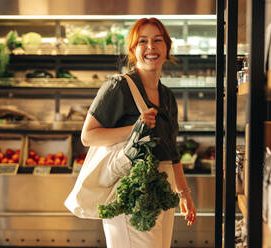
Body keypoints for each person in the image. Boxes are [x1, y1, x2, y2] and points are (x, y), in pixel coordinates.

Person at [80, 17, 196, 248]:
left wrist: (184, 194)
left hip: (162, 190)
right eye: (143, 41)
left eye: (157, 40)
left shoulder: (167, 96)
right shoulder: (118, 87)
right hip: (130, 191)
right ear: (133, 49)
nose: (151, 47)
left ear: (167, 47)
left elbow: (172, 152)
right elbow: (88, 136)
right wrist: (135, 129)